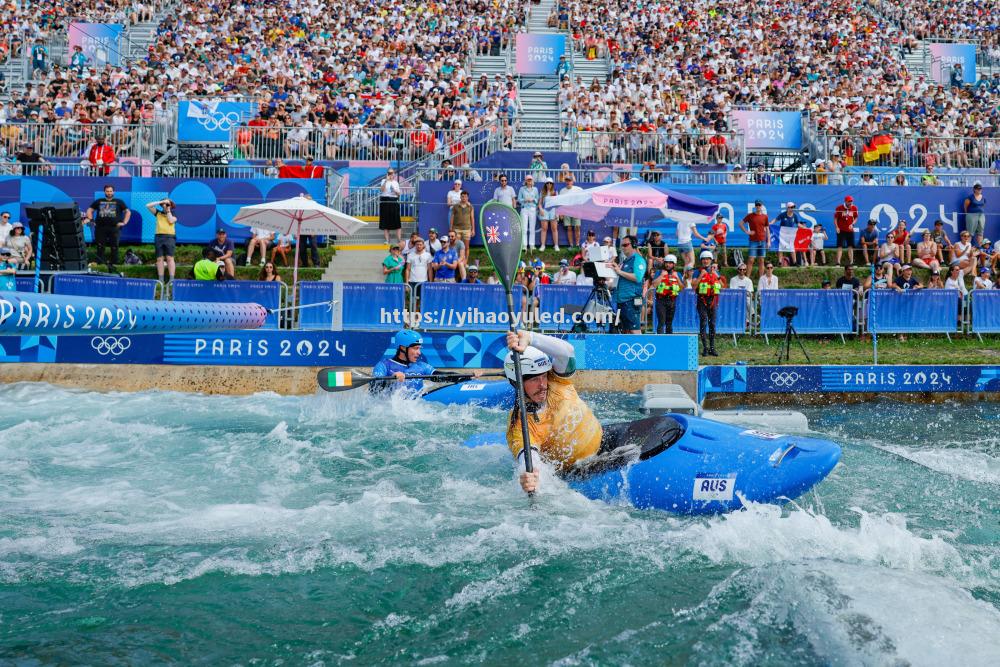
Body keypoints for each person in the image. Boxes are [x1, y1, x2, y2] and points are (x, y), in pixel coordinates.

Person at [503, 329, 603, 493]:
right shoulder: (519, 425)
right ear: (517, 383)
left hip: (603, 441)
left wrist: (530, 337)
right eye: (535, 379)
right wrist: (530, 475)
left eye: (543, 376)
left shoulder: (556, 380)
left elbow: (567, 352)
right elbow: (529, 457)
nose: (543, 385)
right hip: (575, 469)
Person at [372, 330, 478, 394]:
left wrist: (468, 376)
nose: (419, 353)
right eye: (416, 348)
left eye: (420, 348)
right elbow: (373, 389)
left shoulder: (422, 367)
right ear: (403, 348)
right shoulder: (384, 366)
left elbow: (443, 376)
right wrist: (391, 380)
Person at [85, 184, 130, 270]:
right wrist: (91, 220)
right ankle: (99, 263)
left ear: (113, 192)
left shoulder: (119, 202)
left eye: (111, 191)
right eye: (107, 191)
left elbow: (128, 212)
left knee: (114, 246)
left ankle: (114, 263)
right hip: (100, 228)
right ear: (104, 192)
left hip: (115, 228)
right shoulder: (99, 201)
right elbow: (89, 210)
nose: (109, 193)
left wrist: (124, 222)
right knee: (100, 246)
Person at [609, 235, 646, 334]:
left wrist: (619, 272)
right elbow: (622, 278)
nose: (623, 247)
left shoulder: (638, 259)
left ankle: (640, 347)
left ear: (633, 245)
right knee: (625, 331)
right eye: (622, 245)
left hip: (631, 300)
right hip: (622, 300)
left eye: (625, 245)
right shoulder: (626, 261)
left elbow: (637, 277)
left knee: (634, 330)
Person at [694, 250, 722, 356]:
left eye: (707, 259)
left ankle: (712, 348)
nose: (705, 261)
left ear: (711, 260)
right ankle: (705, 348)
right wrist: (701, 275)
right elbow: (693, 286)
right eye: (704, 259)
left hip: (713, 301)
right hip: (702, 301)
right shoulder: (697, 272)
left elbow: (722, 286)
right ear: (701, 260)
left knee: (712, 325)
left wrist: (716, 275)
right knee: (703, 322)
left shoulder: (715, 271)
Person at [146, 198, 177, 283]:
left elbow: (171, 220)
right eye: (165, 204)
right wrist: (161, 202)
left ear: (171, 205)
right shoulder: (158, 213)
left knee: (170, 258)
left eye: (168, 203)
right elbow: (148, 205)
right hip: (159, 237)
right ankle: (161, 280)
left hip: (170, 237)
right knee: (159, 259)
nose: (166, 205)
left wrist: (168, 210)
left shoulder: (174, 213)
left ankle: (171, 280)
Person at [651, 254, 682, 334]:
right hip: (661, 300)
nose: (668, 265)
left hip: (672, 301)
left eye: (670, 263)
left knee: (669, 323)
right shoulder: (659, 272)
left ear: (674, 264)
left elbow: (682, 288)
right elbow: (654, 285)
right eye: (666, 263)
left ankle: (669, 342)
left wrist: (677, 278)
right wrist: (662, 275)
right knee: (661, 322)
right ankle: (660, 343)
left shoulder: (677, 274)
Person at [739, 200, 770, 279]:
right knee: (751, 260)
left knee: (761, 260)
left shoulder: (765, 216)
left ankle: (761, 279)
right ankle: (747, 279)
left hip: (762, 241)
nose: (758, 206)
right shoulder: (750, 215)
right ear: (755, 206)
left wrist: (768, 241)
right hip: (753, 241)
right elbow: (740, 223)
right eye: (757, 205)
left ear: (762, 206)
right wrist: (747, 231)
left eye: (759, 205)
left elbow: (767, 229)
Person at [449, 190, 475, 263]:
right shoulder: (455, 206)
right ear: (460, 197)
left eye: (465, 197)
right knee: (456, 246)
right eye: (462, 196)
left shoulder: (470, 206)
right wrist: (451, 228)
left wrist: (473, 230)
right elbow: (452, 217)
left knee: (466, 247)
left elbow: (472, 218)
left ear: (468, 198)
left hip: (467, 229)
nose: (464, 198)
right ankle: (455, 261)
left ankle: (465, 262)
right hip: (456, 229)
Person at [379, 168, 402, 245]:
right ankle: (387, 240)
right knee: (385, 222)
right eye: (389, 173)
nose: (391, 174)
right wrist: (386, 180)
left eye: (392, 173)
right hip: (385, 201)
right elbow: (382, 190)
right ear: (387, 173)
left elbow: (399, 194)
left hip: (394, 201)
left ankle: (399, 240)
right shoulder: (383, 181)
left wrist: (395, 191)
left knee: (397, 221)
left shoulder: (396, 182)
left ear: (394, 173)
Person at [834, 195, 858, 266]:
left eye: (851, 201)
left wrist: (852, 224)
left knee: (850, 246)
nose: (850, 203)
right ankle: (838, 262)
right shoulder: (839, 208)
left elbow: (856, 217)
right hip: (841, 230)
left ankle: (851, 262)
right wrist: (837, 227)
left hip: (850, 230)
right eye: (849, 201)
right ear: (845, 201)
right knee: (839, 246)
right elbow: (835, 218)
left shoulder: (854, 207)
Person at [559, 176, 583, 248]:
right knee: (569, 228)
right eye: (567, 180)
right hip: (566, 211)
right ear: (565, 182)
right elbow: (560, 203)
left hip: (576, 210)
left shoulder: (578, 189)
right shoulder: (562, 191)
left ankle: (578, 244)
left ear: (572, 182)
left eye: (570, 180)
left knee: (577, 227)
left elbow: (584, 197)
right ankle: (571, 245)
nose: (568, 182)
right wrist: (561, 213)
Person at [517, 175, 539, 250]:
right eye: (528, 180)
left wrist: (532, 200)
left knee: (532, 228)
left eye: (530, 180)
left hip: (532, 209)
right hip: (524, 209)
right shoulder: (522, 189)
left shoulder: (535, 189)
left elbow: (537, 199)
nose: (529, 181)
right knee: (524, 228)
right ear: (525, 181)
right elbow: (519, 199)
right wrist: (525, 200)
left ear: (532, 181)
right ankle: (524, 245)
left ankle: (532, 245)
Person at [538, 180, 559, 251]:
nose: (549, 184)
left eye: (550, 183)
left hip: (553, 211)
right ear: (545, 184)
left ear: (552, 184)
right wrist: (540, 209)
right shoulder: (542, 192)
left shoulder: (555, 192)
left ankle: (556, 245)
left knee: (554, 228)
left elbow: (557, 203)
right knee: (544, 228)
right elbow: (540, 203)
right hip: (545, 211)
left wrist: (557, 212)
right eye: (547, 183)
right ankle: (543, 245)